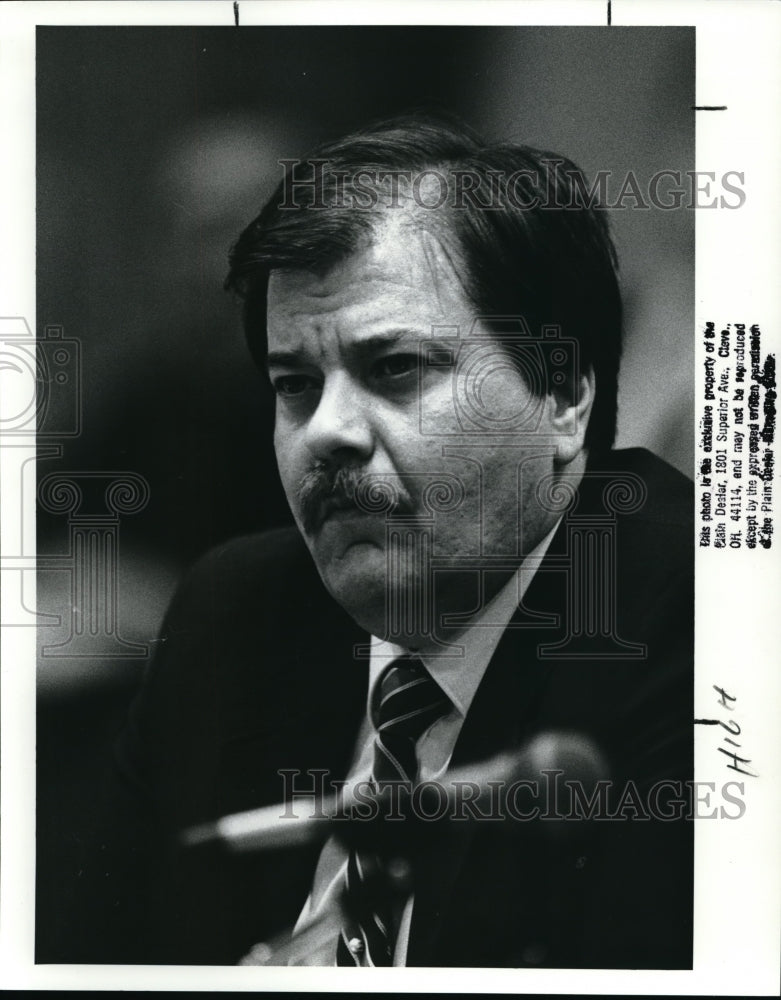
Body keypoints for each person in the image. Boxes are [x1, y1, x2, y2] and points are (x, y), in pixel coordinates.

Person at [101, 114, 693, 968]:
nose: (326, 432)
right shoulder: (231, 615)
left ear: (561, 396)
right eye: (295, 386)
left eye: (396, 369)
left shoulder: (700, 622)